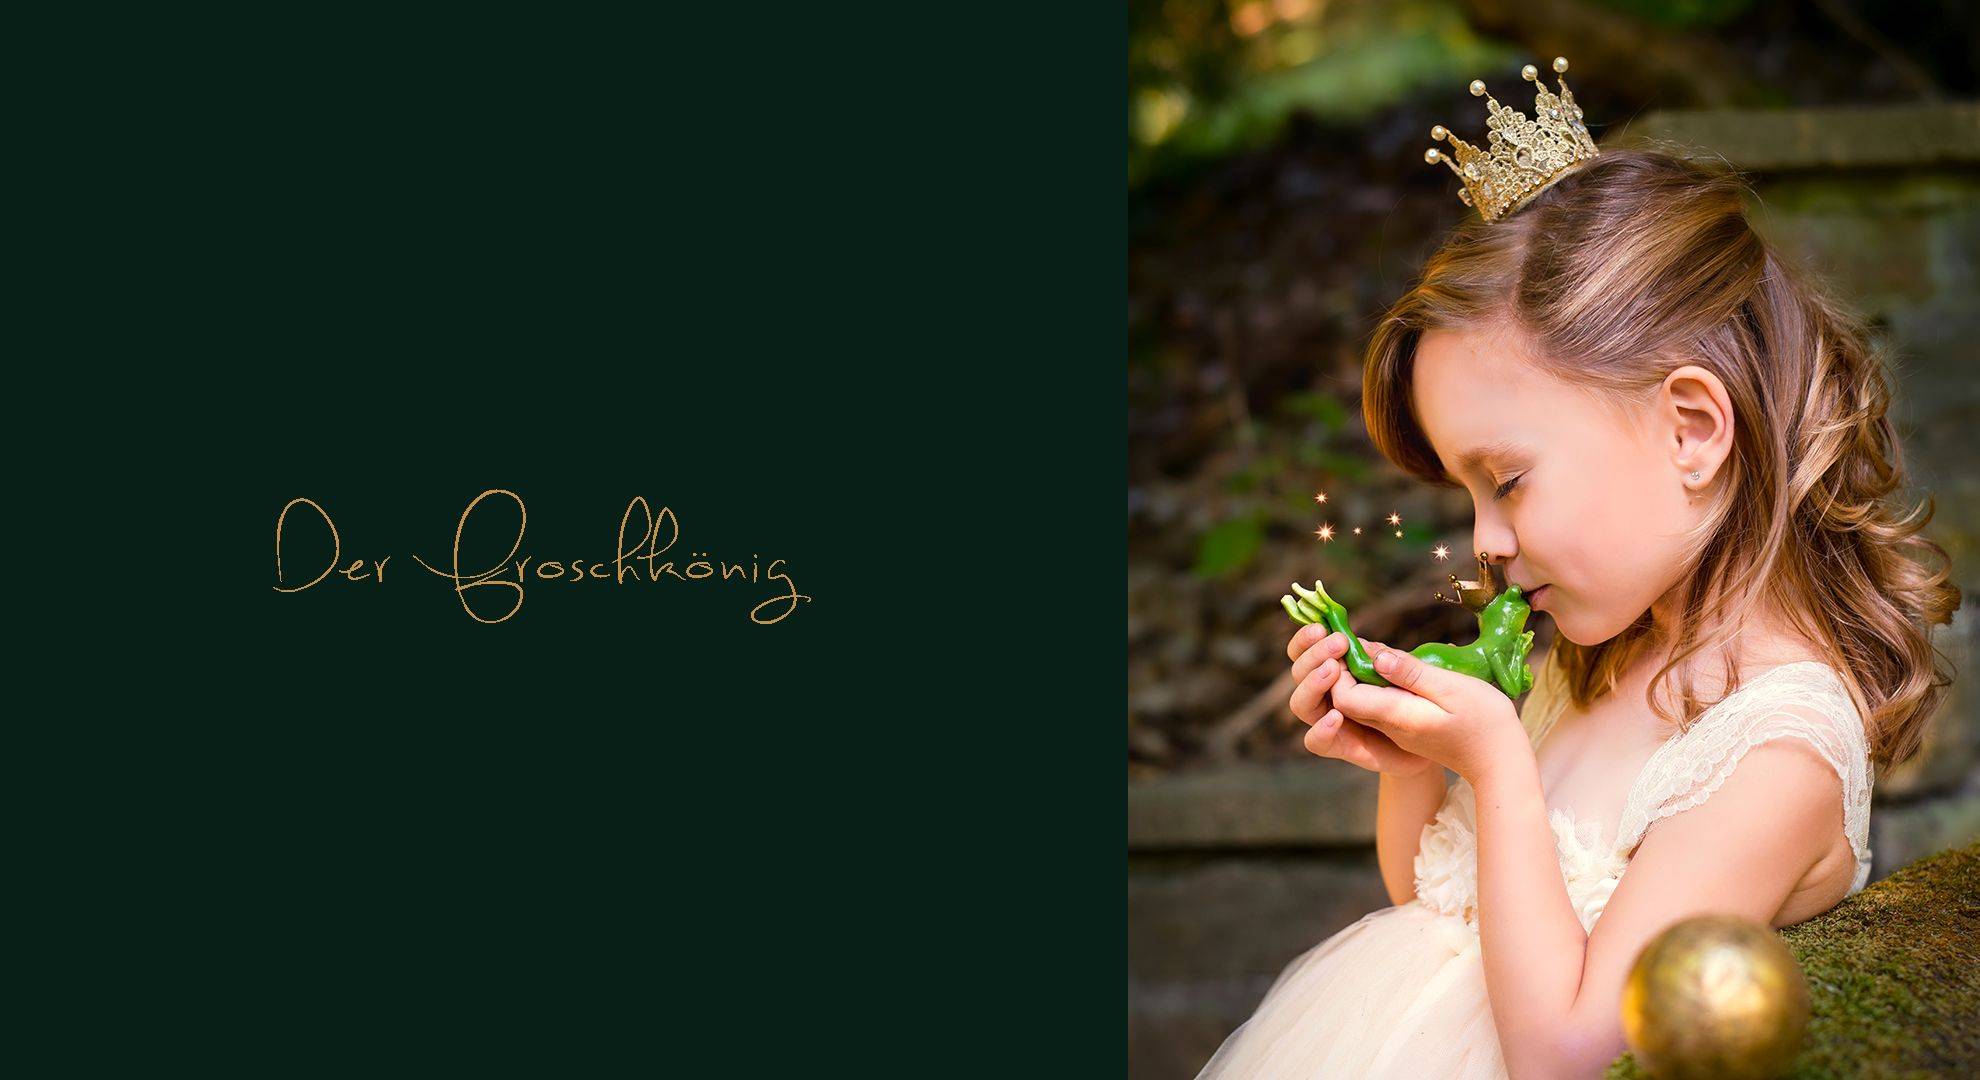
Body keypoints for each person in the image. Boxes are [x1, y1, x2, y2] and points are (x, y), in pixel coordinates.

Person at [1195, 65, 1959, 1080]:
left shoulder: (1777, 750)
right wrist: (1420, 762)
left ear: (1692, 429)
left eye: (1507, 480)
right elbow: (1438, 909)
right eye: (1468, 496)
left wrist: (1499, 763)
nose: (1483, 541)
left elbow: (1571, 1050)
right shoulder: (1596, 657)